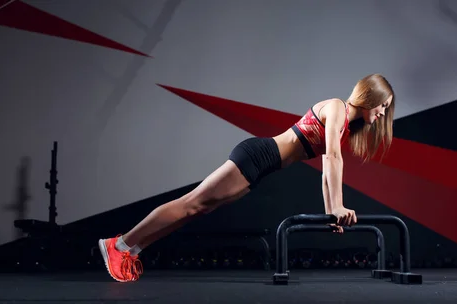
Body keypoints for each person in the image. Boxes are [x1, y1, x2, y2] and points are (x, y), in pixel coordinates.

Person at [98, 73, 395, 282]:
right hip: (257, 155)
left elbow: (326, 171)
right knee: (190, 203)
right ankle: (119, 245)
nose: (383, 112)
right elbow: (332, 159)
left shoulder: (343, 125)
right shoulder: (337, 108)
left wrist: (332, 213)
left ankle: (130, 250)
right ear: (370, 96)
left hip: (261, 165)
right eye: (383, 105)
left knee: (198, 209)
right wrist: (339, 207)